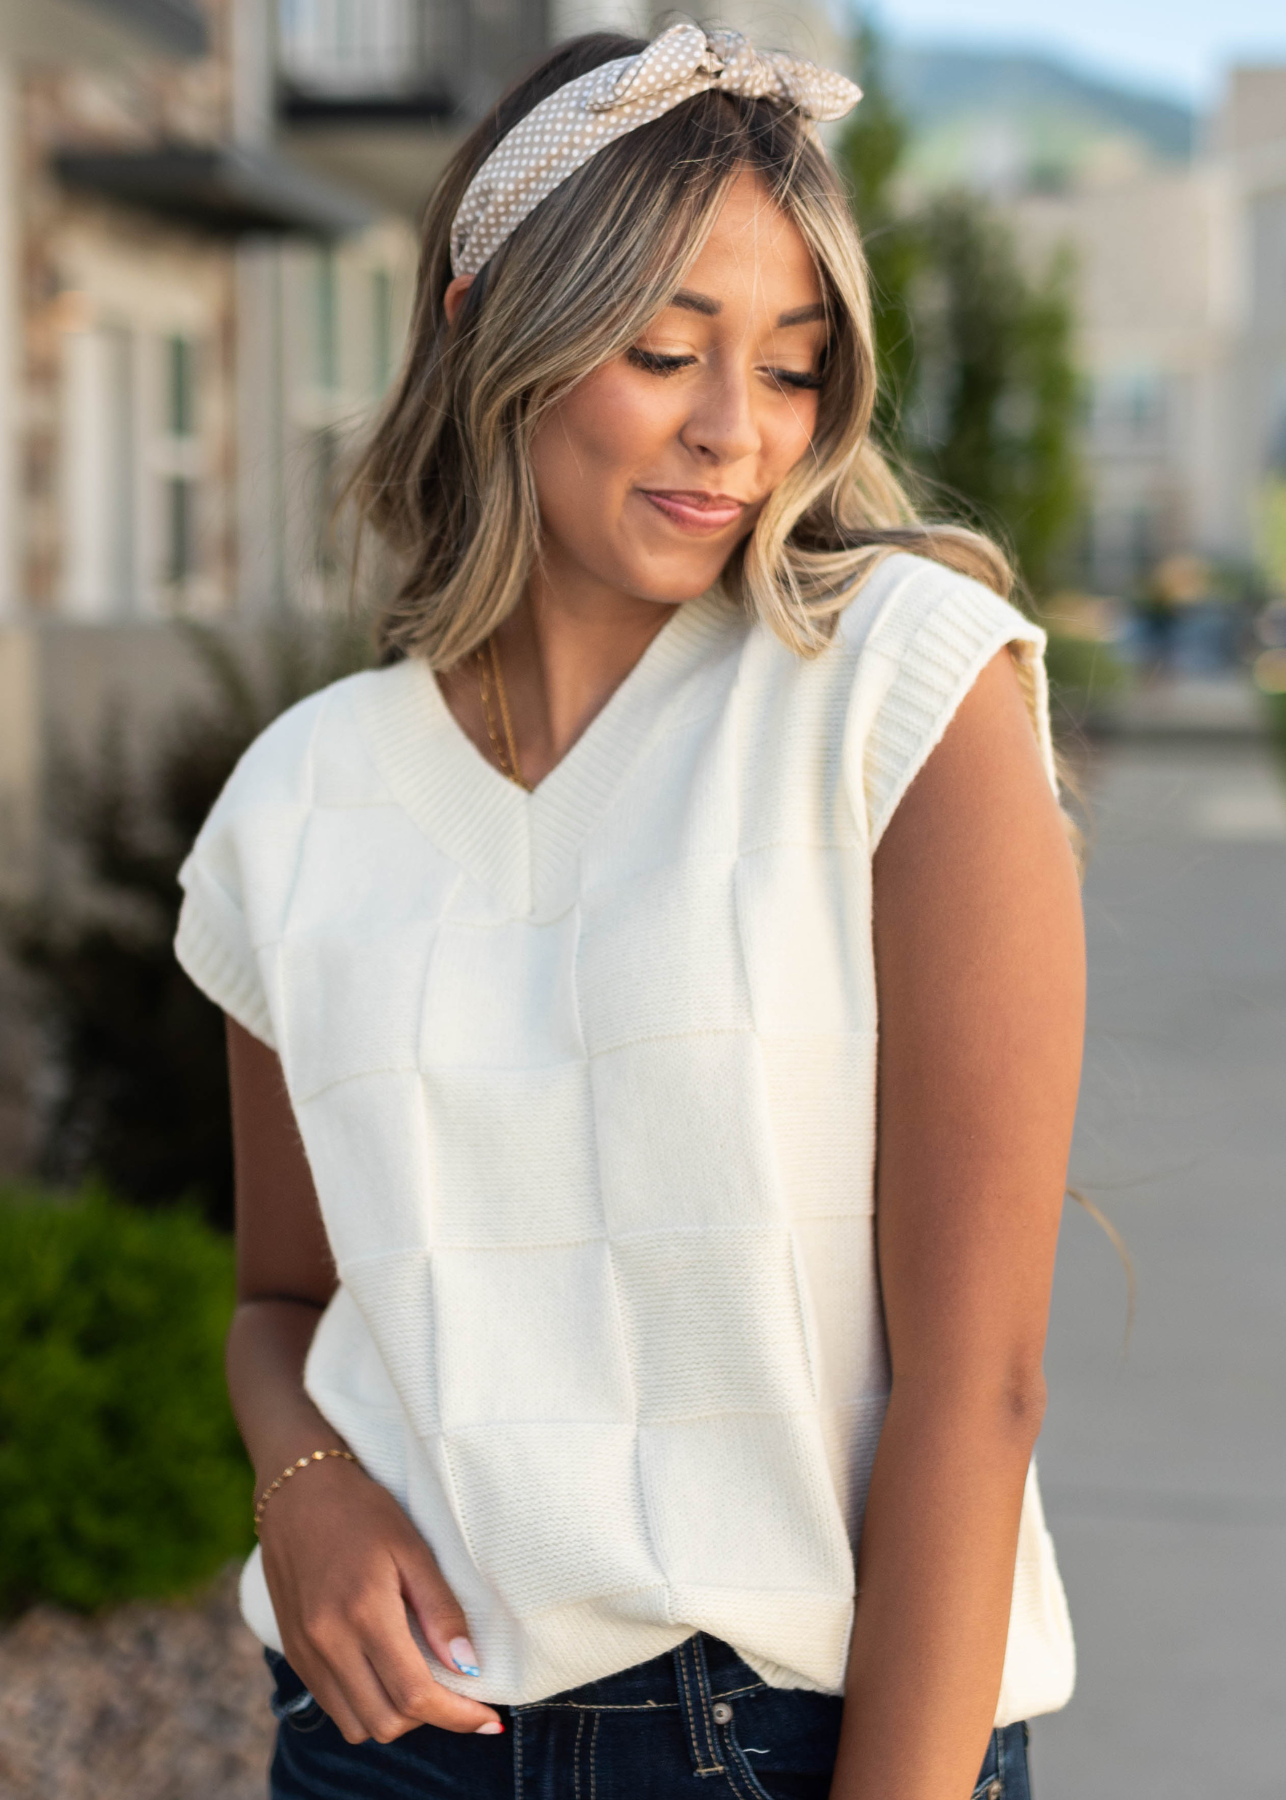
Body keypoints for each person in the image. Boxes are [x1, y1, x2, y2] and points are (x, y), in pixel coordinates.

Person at [175, 24, 1085, 1800]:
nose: (735, 431)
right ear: (481, 334)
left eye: (795, 367)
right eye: (663, 351)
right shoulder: (297, 801)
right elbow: (282, 1303)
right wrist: (309, 1490)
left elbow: (976, 1390)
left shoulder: (901, 689)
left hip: (799, 1732)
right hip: (391, 1747)